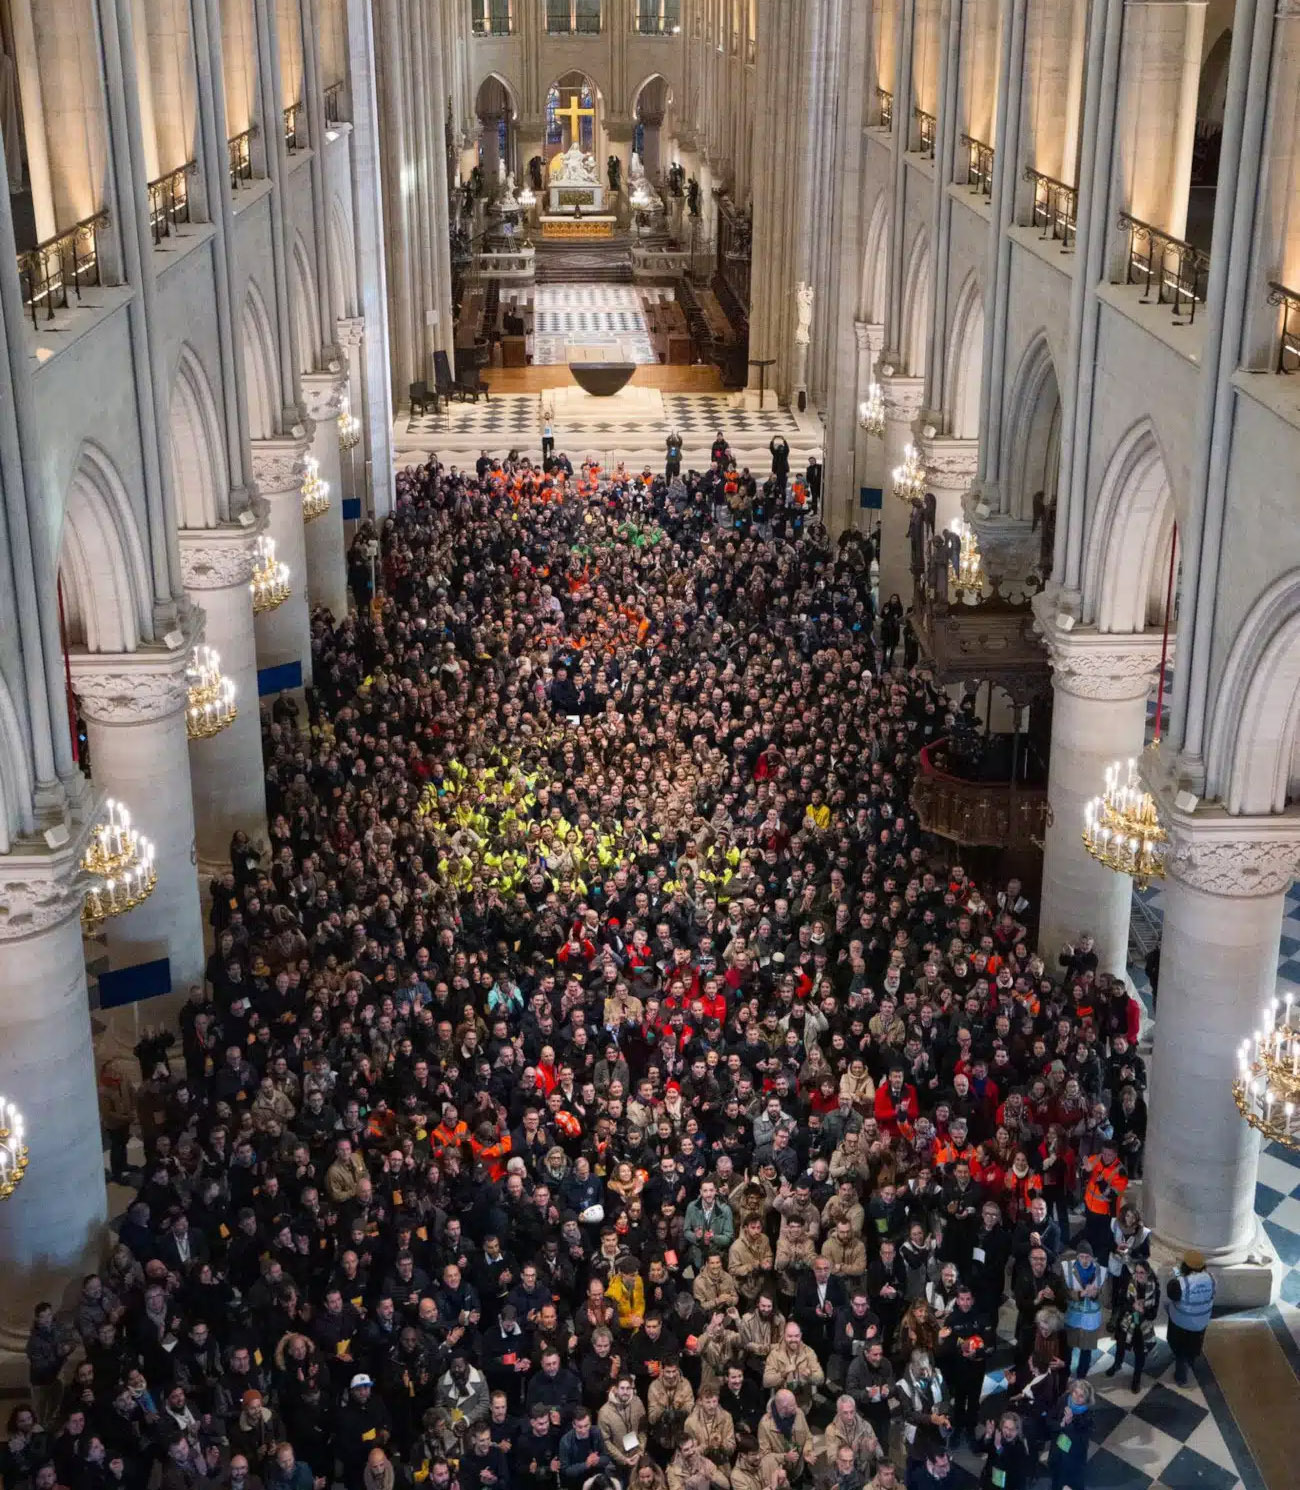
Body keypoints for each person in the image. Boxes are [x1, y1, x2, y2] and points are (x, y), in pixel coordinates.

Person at [1165, 1250, 1215, 1386]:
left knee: (1180, 1351)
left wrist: (1174, 1269)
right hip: (1200, 1324)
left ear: (1185, 1266)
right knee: (1193, 1348)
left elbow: (1173, 1292)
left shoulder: (1180, 1283)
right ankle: (1191, 1362)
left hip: (1180, 1324)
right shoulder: (1211, 1278)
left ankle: (1181, 1378)